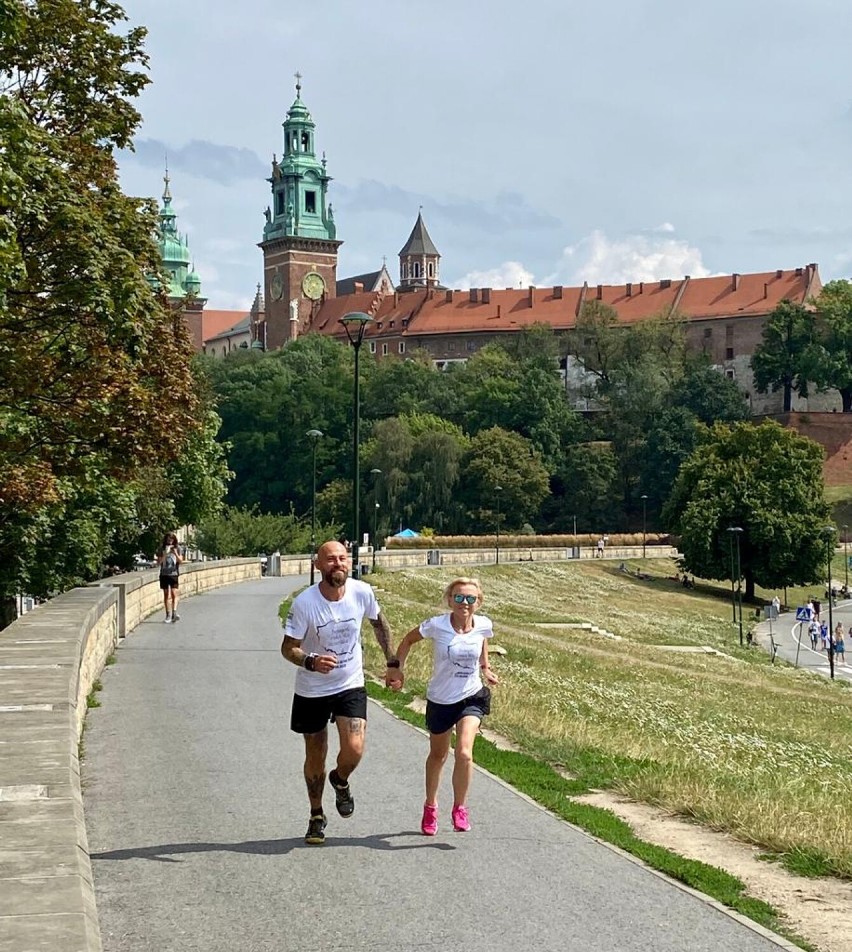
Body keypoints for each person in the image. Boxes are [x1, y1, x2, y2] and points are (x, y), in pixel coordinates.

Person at [280, 540, 395, 846]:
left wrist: (392, 661)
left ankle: (340, 780)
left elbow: (379, 624)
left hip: (349, 683)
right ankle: (316, 815)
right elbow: (288, 648)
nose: (338, 564)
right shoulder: (305, 603)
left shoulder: (362, 592)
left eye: (343, 558)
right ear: (318, 565)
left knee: (354, 748)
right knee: (315, 754)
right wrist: (311, 661)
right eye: (330, 560)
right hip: (313, 687)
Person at [386, 577, 499, 836]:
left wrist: (486, 668)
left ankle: (460, 807)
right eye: (459, 598)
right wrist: (398, 670)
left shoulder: (484, 624)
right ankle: (430, 806)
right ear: (449, 600)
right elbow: (407, 641)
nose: (465, 604)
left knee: (464, 753)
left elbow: (482, 640)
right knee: (438, 756)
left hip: (471, 696)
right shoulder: (436, 625)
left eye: (471, 599)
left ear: (478, 602)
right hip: (440, 699)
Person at [156, 532, 183, 623]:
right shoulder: (162, 548)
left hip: (174, 573)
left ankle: (174, 613)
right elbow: (159, 563)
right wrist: (165, 554)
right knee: (166, 594)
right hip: (164, 574)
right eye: (168, 539)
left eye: (171, 539)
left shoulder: (178, 548)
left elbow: (181, 561)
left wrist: (175, 553)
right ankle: (168, 614)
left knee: (174, 593)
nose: (170, 541)